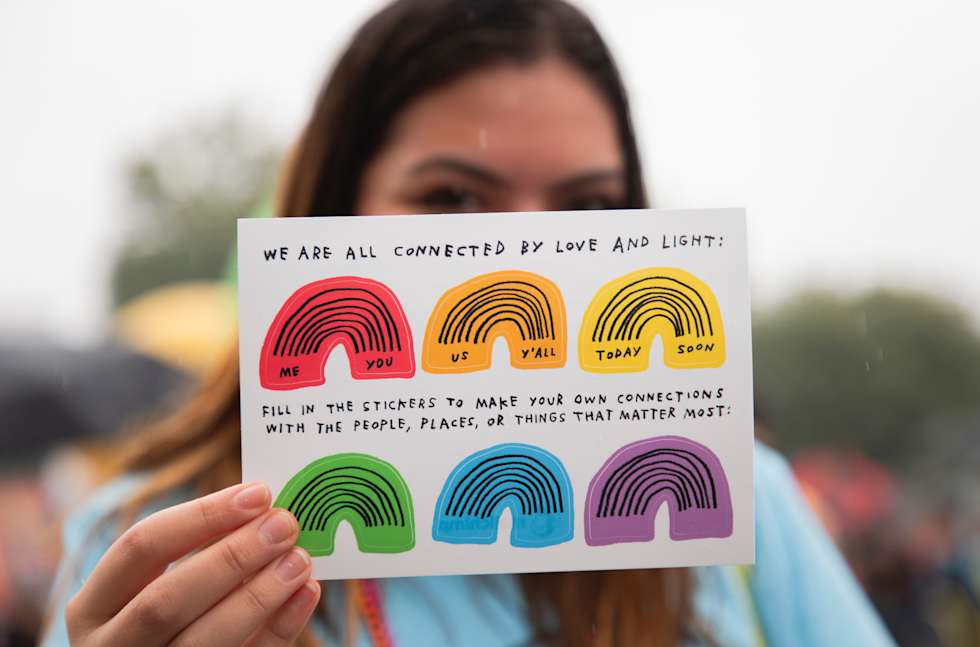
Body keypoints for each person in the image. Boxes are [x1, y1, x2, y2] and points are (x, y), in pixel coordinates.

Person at [42, 0, 897, 645]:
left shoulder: (746, 508)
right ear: (330, 214)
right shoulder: (149, 550)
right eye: (451, 196)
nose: (521, 254)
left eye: (587, 204)